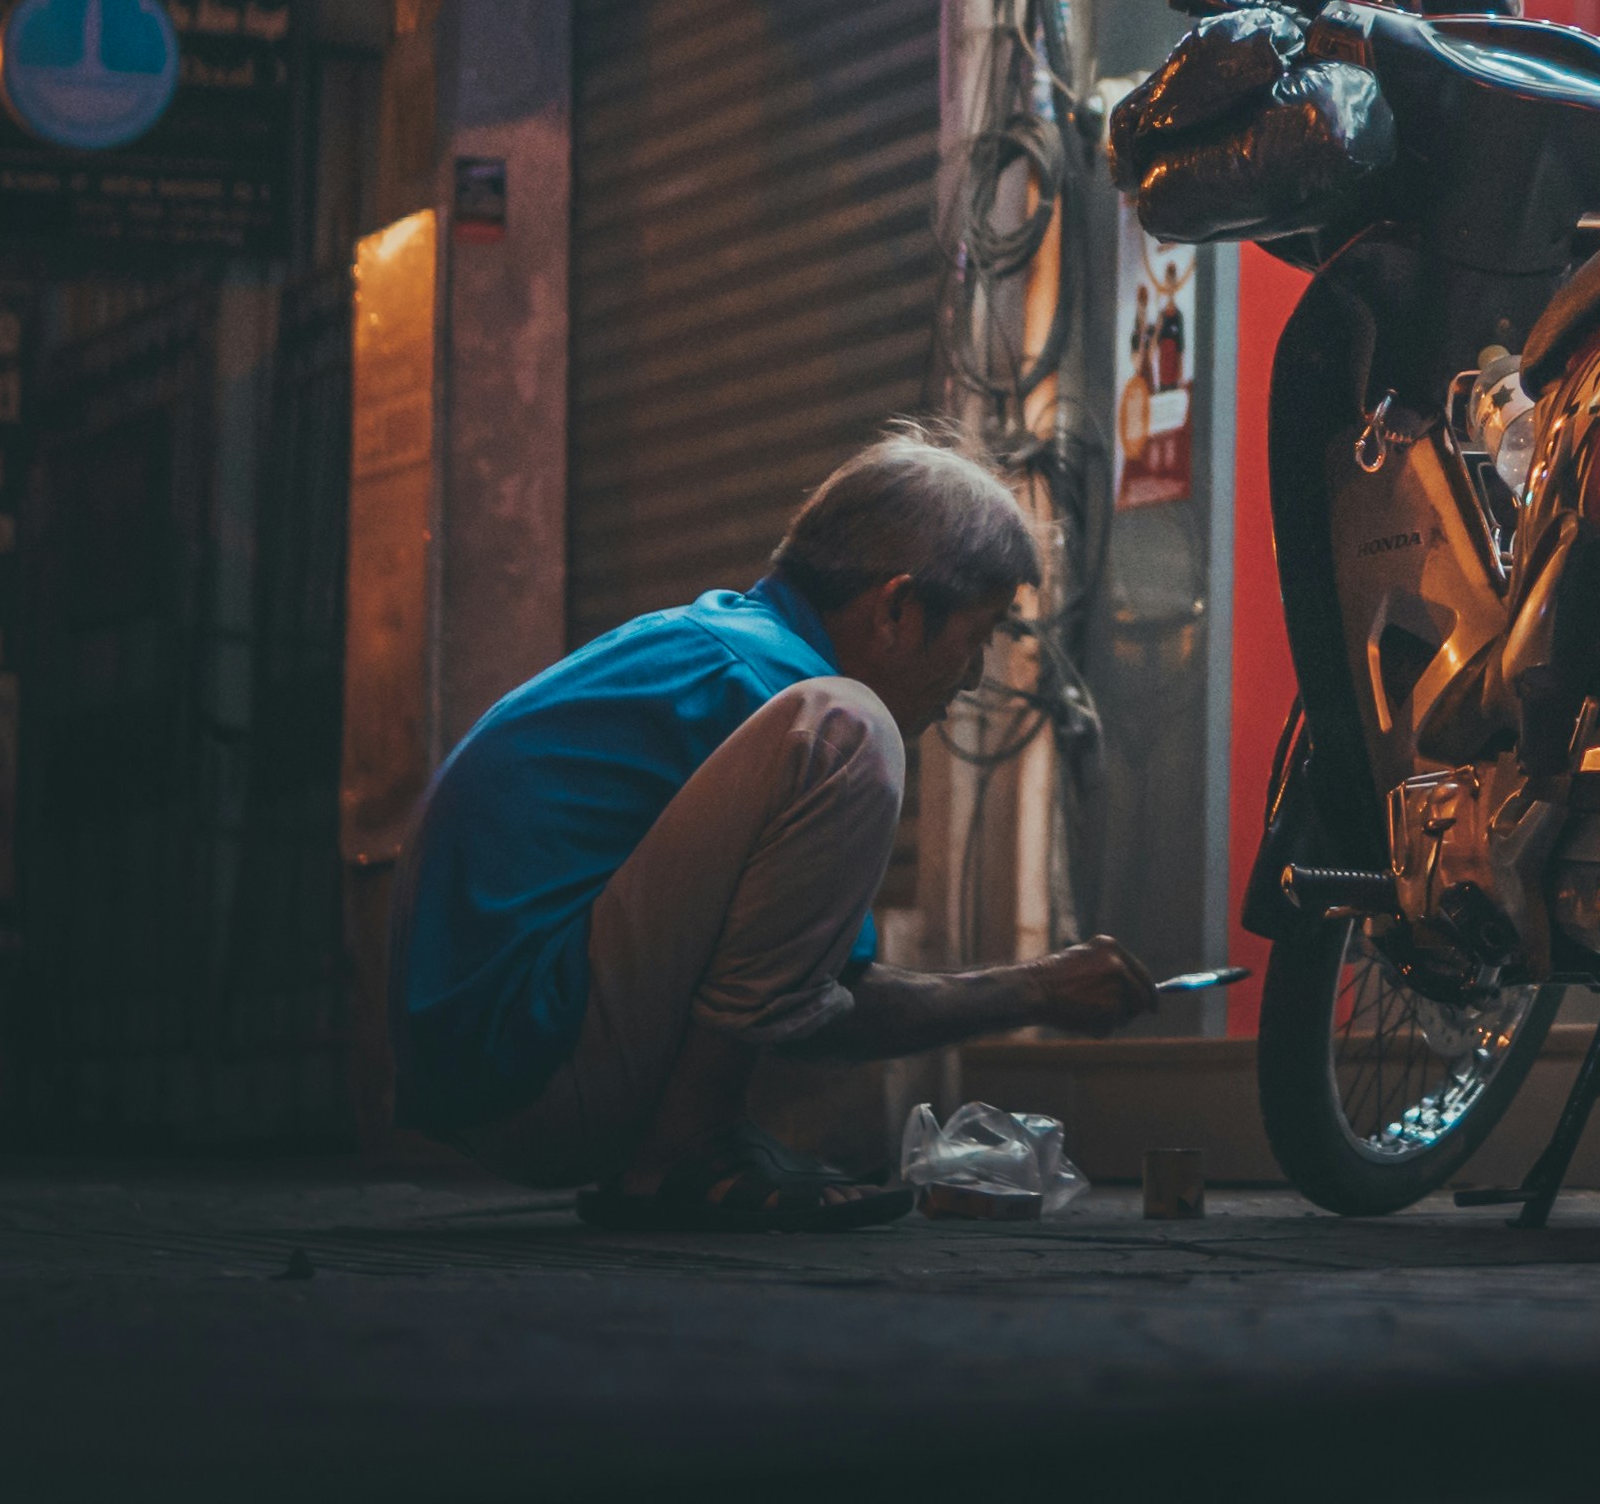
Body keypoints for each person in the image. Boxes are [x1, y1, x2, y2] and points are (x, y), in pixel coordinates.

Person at [393, 423, 1154, 1227]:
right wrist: (1035, 989)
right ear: (897, 607)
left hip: (492, 1076)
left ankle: (701, 1144)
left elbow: (799, 997)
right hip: (529, 1071)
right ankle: (691, 1151)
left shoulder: (719, 646)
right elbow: (834, 1010)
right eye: (977, 640)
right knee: (850, 728)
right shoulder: (783, 687)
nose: (969, 680)